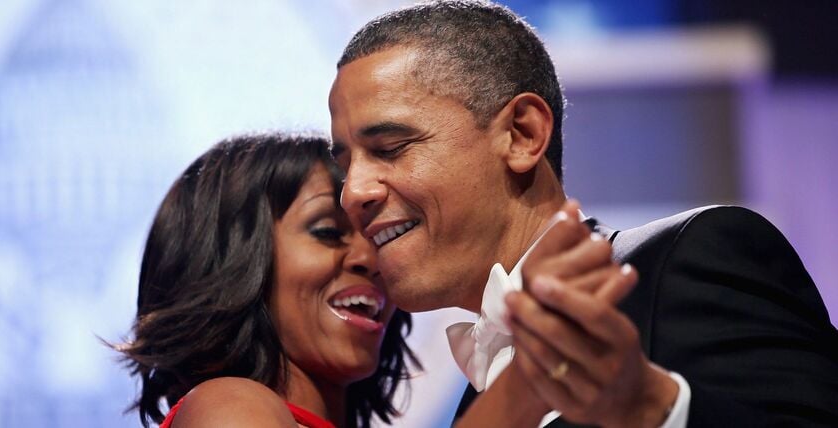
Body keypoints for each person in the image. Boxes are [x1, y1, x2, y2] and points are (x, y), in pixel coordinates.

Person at [328, 1, 838, 427]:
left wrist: (652, 406)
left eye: (391, 147)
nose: (353, 192)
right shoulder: (481, 398)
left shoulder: (688, 258)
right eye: (346, 164)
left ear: (523, 134)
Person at [116, 132, 418, 427]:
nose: (370, 259)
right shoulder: (229, 407)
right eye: (328, 232)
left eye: (379, 237)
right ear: (232, 263)